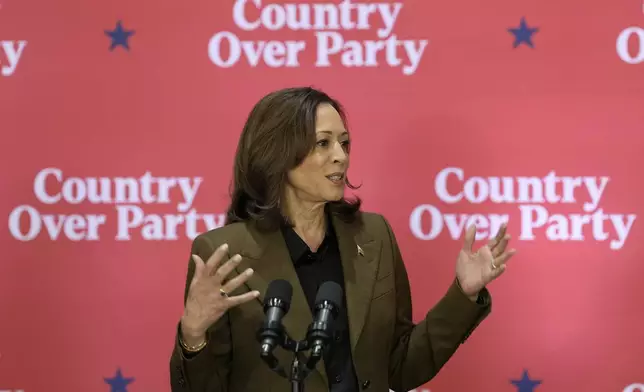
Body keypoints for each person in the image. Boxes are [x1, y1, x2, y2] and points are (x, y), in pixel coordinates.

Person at [169, 87, 516, 392]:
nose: (341, 155)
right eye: (323, 143)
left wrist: (464, 294)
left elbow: (401, 367)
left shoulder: (375, 236)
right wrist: (194, 334)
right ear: (278, 152)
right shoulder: (223, 253)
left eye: (344, 142)